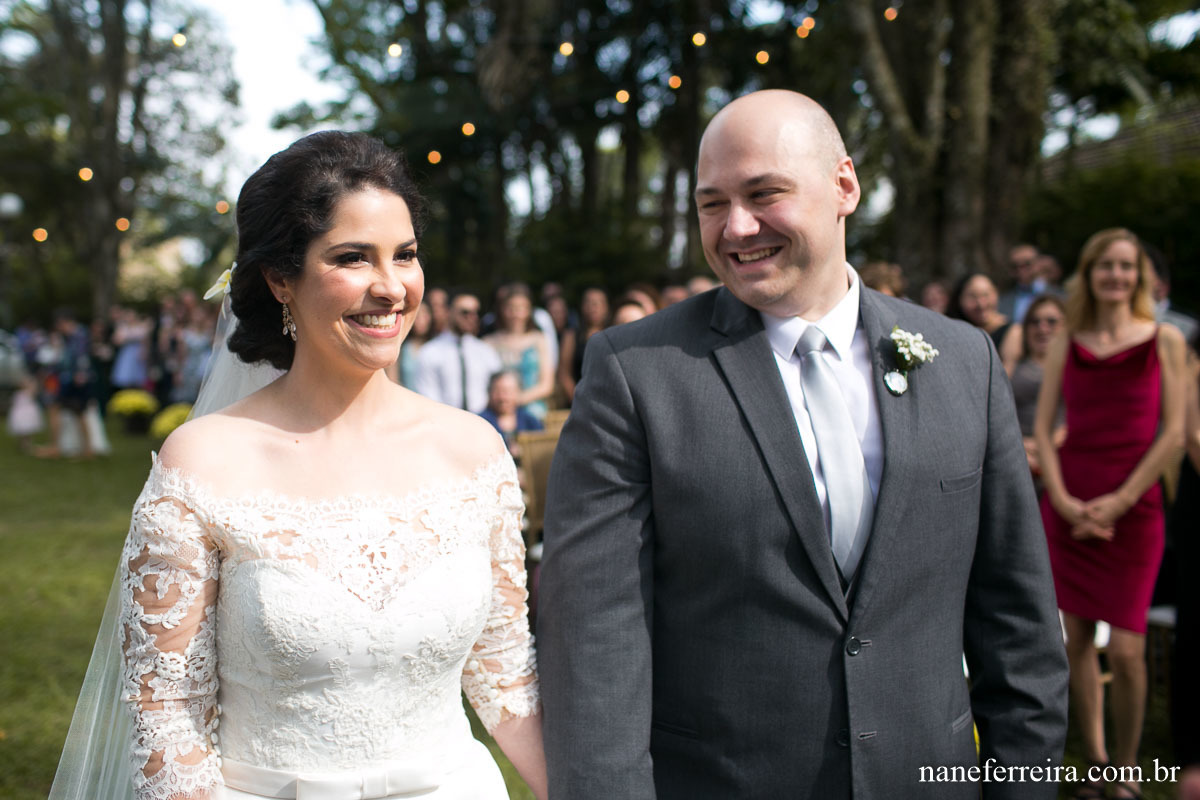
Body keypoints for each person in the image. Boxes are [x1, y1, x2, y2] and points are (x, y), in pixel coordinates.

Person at [539, 89, 1067, 800]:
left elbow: (1016, 621)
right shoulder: (637, 374)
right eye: (711, 204)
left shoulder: (963, 360)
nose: (737, 227)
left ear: (844, 185)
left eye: (764, 193)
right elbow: (596, 644)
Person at [49, 131, 547, 800]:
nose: (391, 287)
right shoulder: (204, 462)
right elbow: (166, 714)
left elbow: (504, 675)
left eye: (405, 255)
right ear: (280, 277)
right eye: (352, 258)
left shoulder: (474, 451)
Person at [1035, 227, 1186, 800]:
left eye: (1127, 267)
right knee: (1075, 639)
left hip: (1135, 507)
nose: (1117, 276)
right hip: (1070, 502)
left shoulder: (1164, 339)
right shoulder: (1067, 337)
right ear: (1090, 274)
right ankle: (1097, 763)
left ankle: (1126, 767)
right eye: (1106, 267)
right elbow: (1046, 431)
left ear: (1140, 277)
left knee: (1125, 648)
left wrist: (1119, 502)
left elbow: (1173, 433)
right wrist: (1066, 500)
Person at [413, 290, 502, 413]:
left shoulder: (486, 352)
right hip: (443, 420)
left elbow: (497, 390)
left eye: (476, 312)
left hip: (482, 420)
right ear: (449, 312)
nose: (472, 317)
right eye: (465, 312)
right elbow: (427, 394)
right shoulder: (430, 352)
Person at [1009, 295, 1067, 480]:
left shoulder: (1074, 367)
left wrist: (1044, 447)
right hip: (1017, 452)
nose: (1043, 328)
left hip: (1060, 451)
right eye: (1035, 322)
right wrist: (1020, 445)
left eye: (1051, 321)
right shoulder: (1014, 366)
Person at [484, 283, 555, 422]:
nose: (516, 313)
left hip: (534, 414)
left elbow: (547, 385)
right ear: (502, 310)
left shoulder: (539, 340)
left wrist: (516, 400)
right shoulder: (488, 342)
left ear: (529, 310)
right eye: (511, 308)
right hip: (496, 415)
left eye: (521, 308)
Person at [950, 272, 1023, 374]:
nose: (981, 303)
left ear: (997, 294)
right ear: (959, 300)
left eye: (986, 295)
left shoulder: (1013, 332)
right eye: (972, 297)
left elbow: (1006, 376)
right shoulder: (954, 332)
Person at [557, 286, 609, 405]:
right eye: (589, 303)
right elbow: (564, 373)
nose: (593, 308)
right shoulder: (571, 335)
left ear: (606, 307)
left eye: (597, 303)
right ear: (582, 306)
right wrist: (579, 399)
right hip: (578, 401)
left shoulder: (614, 334)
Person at [479, 370, 544, 460]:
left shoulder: (531, 422)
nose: (502, 397)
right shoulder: (480, 422)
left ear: (518, 392)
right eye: (497, 391)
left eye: (507, 391)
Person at [998, 243, 1051, 324]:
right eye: (1015, 266)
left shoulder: (1059, 296)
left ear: (1039, 264)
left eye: (1027, 264)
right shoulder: (1002, 302)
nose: (1021, 270)